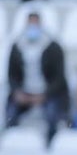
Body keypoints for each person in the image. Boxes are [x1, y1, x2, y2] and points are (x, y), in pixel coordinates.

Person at [6, 12, 69, 140]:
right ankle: (10, 142)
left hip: (47, 93)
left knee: (52, 115)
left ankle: (51, 142)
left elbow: (59, 78)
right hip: (24, 93)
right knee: (10, 114)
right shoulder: (17, 46)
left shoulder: (52, 47)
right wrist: (17, 92)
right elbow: (12, 75)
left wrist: (44, 95)